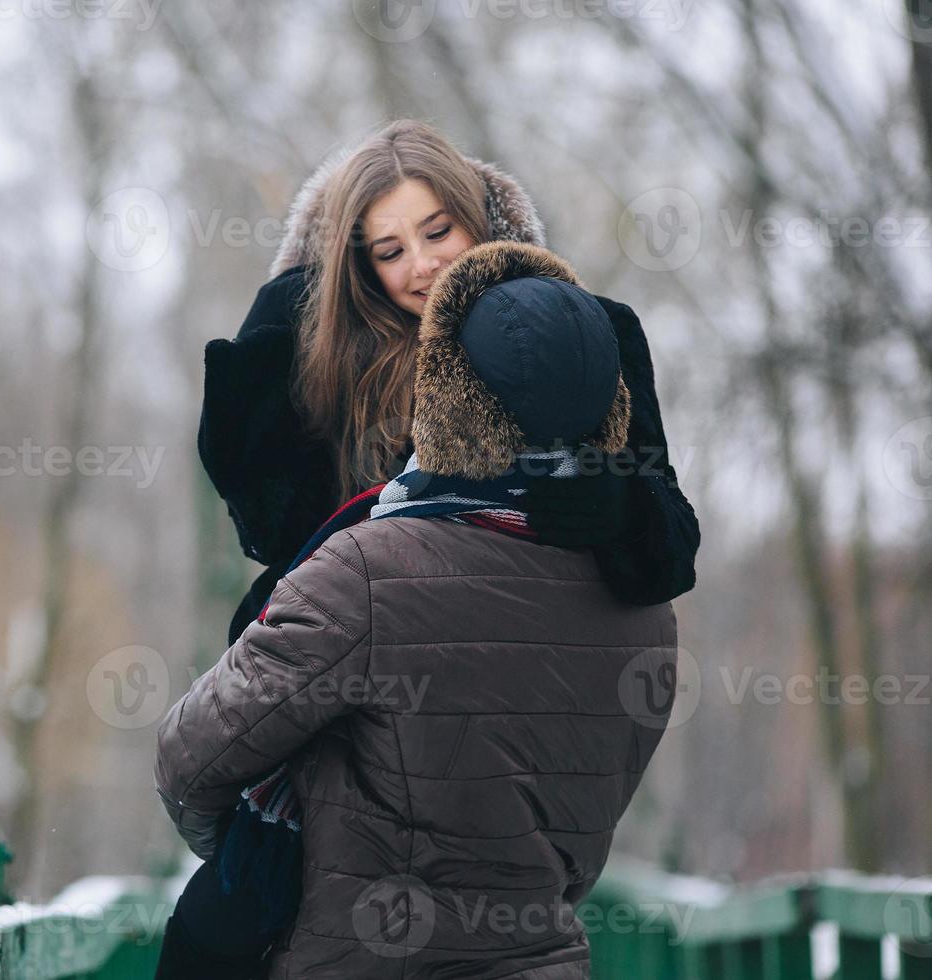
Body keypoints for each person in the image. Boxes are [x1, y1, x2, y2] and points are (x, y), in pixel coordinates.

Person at [154, 239, 680, 979]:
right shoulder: (645, 608)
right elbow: (576, 841)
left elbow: (189, 759)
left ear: (448, 398)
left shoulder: (370, 571)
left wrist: (271, 850)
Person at [197, 121, 699, 649]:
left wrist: (623, 507)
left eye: (438, 232)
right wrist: (279, 320)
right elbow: (275, 537)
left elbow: (673, 556)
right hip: (374, 665)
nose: (424, 264)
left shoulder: (583, 333)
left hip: (533, 659)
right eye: (391, 252)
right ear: (363, 270)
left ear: (478, 218)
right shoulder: (342, 363)